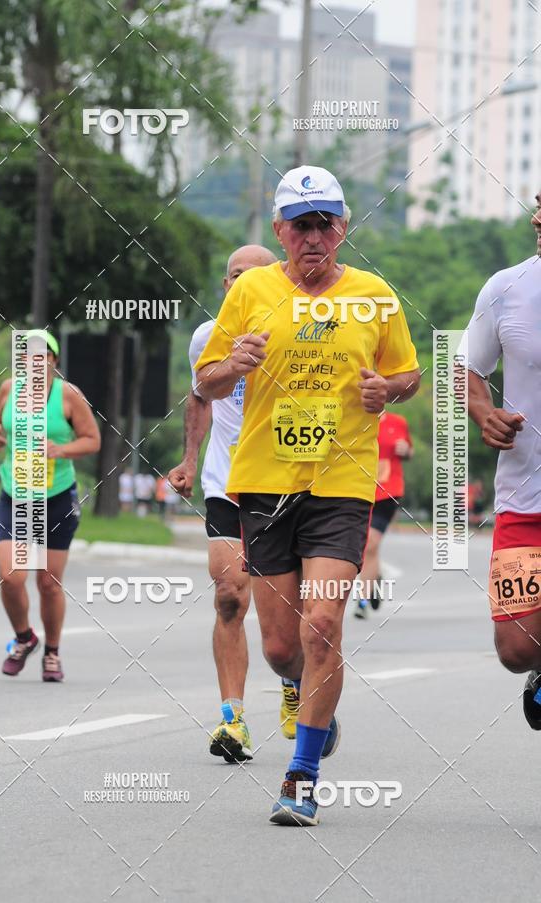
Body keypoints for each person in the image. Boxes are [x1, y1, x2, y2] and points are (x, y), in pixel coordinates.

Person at [195, 165, 420, 825]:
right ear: (280, 230)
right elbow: (204, 381)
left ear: (344, 227)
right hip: (264, 483)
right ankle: (301, 690)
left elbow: (406, 371)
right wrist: (230, 365)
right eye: (302, 224)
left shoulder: (374, 295)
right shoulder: (251, 292)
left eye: (326, 222)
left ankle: (303, 773)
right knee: (280, 647)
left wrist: (388, 390)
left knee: (323, 625)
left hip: (342, 484)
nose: (314, 235)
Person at [169, 244, 286, 764]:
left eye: (254, 275)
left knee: (284, 609)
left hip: (286, 480)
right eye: (234, 276)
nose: (242, 284)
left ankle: (293, 677)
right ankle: (232, 720)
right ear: (225, 286)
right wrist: (190, 461)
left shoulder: (300, 328)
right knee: (230, 596)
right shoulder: (205, 338)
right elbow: (200, 396)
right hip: (227, 480)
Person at [465, 190, 541, 731]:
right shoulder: (507, 288)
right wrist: (483, 410)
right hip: (524, 496)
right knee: (516, 647)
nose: (537, 217)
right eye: (539, 204)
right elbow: (465, 367)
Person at [0, 329, 101, 682]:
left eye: (42, 356)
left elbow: (93, 440)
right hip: (16, 493)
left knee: (49, 582)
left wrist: (60, 449)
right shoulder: (9, 390)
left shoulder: (67, 396)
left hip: (56, 497)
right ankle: (25, 637)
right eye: (27, 356)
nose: (34, 362)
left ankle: (52, 652)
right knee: (10, 576)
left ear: (53, 361)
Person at [355, 409, 413, 618]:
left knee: (371, 543)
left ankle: (361, 601)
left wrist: (406, 450)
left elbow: (409, 451)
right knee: (366, 546)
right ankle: (375, 578)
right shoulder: (353, 417)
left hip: (388, 492)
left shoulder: (398, 422)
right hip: (358, 490)